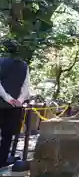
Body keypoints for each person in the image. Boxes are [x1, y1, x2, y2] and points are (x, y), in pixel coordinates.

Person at [0, 40, 30, 168]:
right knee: (7, 136)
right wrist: (19, 100)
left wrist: (7, 98)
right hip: (15, 107)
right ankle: (1, 161)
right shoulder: (24, 65)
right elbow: (26, 87)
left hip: (3, 103)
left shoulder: (1, 62)